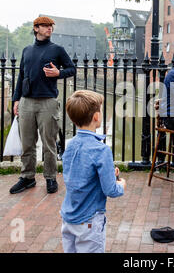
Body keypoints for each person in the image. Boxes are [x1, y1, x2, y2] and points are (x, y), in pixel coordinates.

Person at [10, 16, 76, 195]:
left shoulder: (57, 49)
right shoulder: (27, 50)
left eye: (51, 26)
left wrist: (58, 73)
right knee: (27, 143)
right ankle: (27, 177)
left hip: (48, 101)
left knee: (49, 143)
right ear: (36, 28)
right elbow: (21, 76)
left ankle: (50, 177)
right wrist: (16, 100)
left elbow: (72, 69)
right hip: (26, 101)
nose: (49, 29)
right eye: (45, 26)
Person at [60, 90, 126, 253]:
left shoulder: (70, 145)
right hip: (89, 220)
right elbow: (110, 190)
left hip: (68, 218)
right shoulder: (101, 150)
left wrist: (109, 172)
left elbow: (79, 175)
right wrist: (121, 185)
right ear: (96, 117)